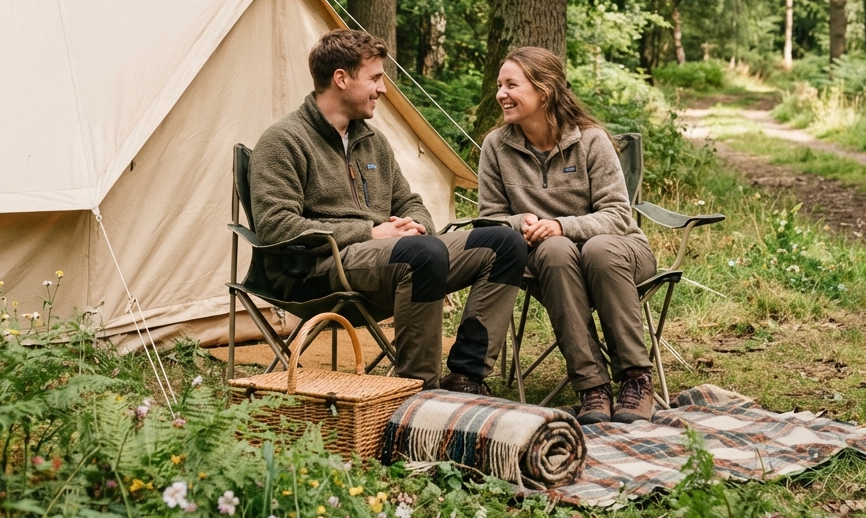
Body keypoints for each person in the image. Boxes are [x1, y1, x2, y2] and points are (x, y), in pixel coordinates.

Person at [250, 28, 528, 393]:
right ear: (341, 78)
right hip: (318, 270)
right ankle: (417, 390)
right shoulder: (284, 140)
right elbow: (275, 226)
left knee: (505, 243)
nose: (382, 88)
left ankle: (465, 376)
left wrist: (417, 223)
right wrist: (369, 233)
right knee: (422, 254)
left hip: (393, 258)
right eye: (376, 78)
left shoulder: (372, 140)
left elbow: (407, 200)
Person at [477, 47, 658, 423]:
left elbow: (618, 215)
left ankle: (635, 378)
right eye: (499, 85)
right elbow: (490, 219)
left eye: (512, 84)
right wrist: (521, 222)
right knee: (556, 250)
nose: (501, 94)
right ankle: (592, 386)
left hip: (618, 253)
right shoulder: (496, 146)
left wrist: (563, 224)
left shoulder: (591, 140)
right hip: (551, 263)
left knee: (598, 250)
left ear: (544, 91)